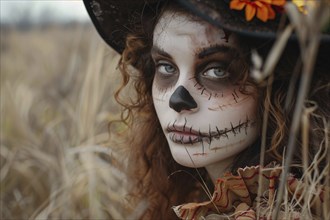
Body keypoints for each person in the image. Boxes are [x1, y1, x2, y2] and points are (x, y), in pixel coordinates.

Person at [84, 0, 329, 219]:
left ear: (280, 87)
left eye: (217, 70)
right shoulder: (195, 195)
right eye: (166, 67)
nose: (177, 99)